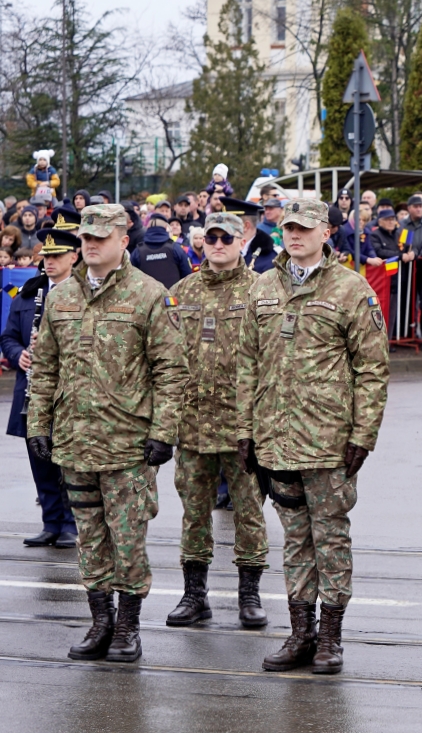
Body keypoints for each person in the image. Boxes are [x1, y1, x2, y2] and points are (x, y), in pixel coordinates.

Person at [26, 204, 186, 663]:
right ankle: (101, 621)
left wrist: (164, 432)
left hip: (127, 445)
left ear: (123, 240)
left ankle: (128, 627)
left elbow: (171, 370)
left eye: (101, 237)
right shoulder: (61, 297)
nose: (91, 244)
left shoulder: (149, 294)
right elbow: (46, 369)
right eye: (86, 238)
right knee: (90, 538)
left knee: (128, 539)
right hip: (75, 441)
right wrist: (38, 425)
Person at [237, 198, 390, 675]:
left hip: (329, 442)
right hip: (275, 439)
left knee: (331, 539)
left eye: (305, 228)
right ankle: (301, 633)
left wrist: (363, 435)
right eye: (289, 227)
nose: (295, 235)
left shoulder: (351, 289)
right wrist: (244, 430)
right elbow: (246, 363)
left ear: (326, 232)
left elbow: (372, 369)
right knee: (295, 541)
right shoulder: (263, 286)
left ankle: (330, 637)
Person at [165, 212, 269, 631]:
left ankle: (249, 595)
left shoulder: (262, 290)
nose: (219, 244)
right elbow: (164, 357)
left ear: (242, 240)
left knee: (249, 511)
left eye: (227, 237)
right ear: (202, 242)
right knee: (194, 513)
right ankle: (194, 596)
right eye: (212, 238)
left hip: (243, 426)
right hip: (192, 424)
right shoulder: (181, 292)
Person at [2, 229, 81, 548]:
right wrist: (18, 354)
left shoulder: (85, 294)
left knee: (69, 461)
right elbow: (8, 336)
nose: (49, 262)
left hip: (69, 390)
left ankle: (71, 524)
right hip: (32, 391)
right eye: (46, 256)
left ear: (73, 257)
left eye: (56, 256)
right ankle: (51, 523)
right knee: (40, 459)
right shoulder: (29, 293)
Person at [130, 215, 193, 288]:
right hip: (172, 294)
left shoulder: (138, 251)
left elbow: (131, 278)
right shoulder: (175, 248)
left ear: (147, 228)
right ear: (166, 228)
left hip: (147, 294)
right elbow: (187, 276)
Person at [223, 197, 278, 273]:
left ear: (245, 226)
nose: (223, 228)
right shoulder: (218, 248)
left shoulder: (270, 259)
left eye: (229, 224)